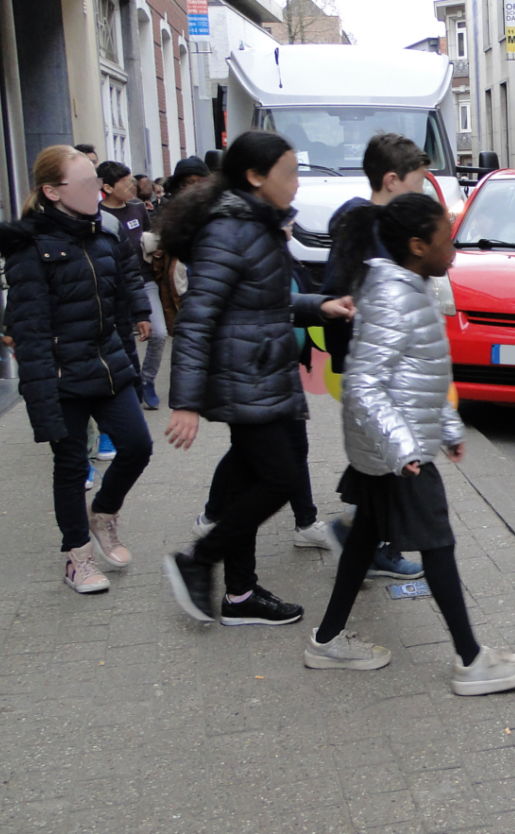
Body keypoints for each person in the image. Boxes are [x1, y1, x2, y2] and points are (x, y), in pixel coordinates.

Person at [304, 191, 515, 694]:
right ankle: (472, 660)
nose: (453, 250)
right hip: (396, 453)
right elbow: (366, 384)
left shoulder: (409, 288)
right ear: (417, 245)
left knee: (365, 538)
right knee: (437, 542)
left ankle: (326, 641)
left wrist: (448, 428)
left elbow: (421, 373)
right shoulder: (396, 296)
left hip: (392, 446)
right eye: (446, 241)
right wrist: (406, 449)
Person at [158, 131, 355, 626]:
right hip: (246, 377)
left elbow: (263, 303)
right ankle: (198, 562)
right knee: (280, 479)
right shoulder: (230, 231)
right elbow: (198, 317)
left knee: (251, 479)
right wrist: (184, 402)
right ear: (254, 177)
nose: (296, 183)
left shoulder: (257, 224)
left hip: (264, 371)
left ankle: (240, 596)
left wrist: (320, 306)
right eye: (288, 173)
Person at [0, 145, 153, 593]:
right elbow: (31, 330)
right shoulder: (30, 248)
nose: (95, 190)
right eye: (84, 184)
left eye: (95, 181)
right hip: (62, 375)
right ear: (52, 192)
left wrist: (133, 344)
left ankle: (103, 513)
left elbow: (121, 297)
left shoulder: (105, 234)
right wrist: (42, 402)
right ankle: (76, 558)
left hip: (108, 366)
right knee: (70, 465)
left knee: (137, 446)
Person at [316, 132, 441, 582]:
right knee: (395, 456)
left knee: (380, 458)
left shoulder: (368, 226)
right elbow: (351, 298)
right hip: (381, 368)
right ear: (392, 180)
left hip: (377, 365)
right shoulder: (370, 230)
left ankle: (359, 536)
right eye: (418, 182)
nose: (424, 191)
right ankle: (365, 540)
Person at [98, 160, 167, 410]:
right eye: (125, 183)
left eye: (131, 182)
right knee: (124, 341)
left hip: (144, 280)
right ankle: (127, 388)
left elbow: (150, 236)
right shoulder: (98, 215)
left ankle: (147, 379)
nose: (132, 187)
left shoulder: (138, 208)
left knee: (159, 333)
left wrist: (156, 249)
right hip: (114, 288)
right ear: (106, 187)